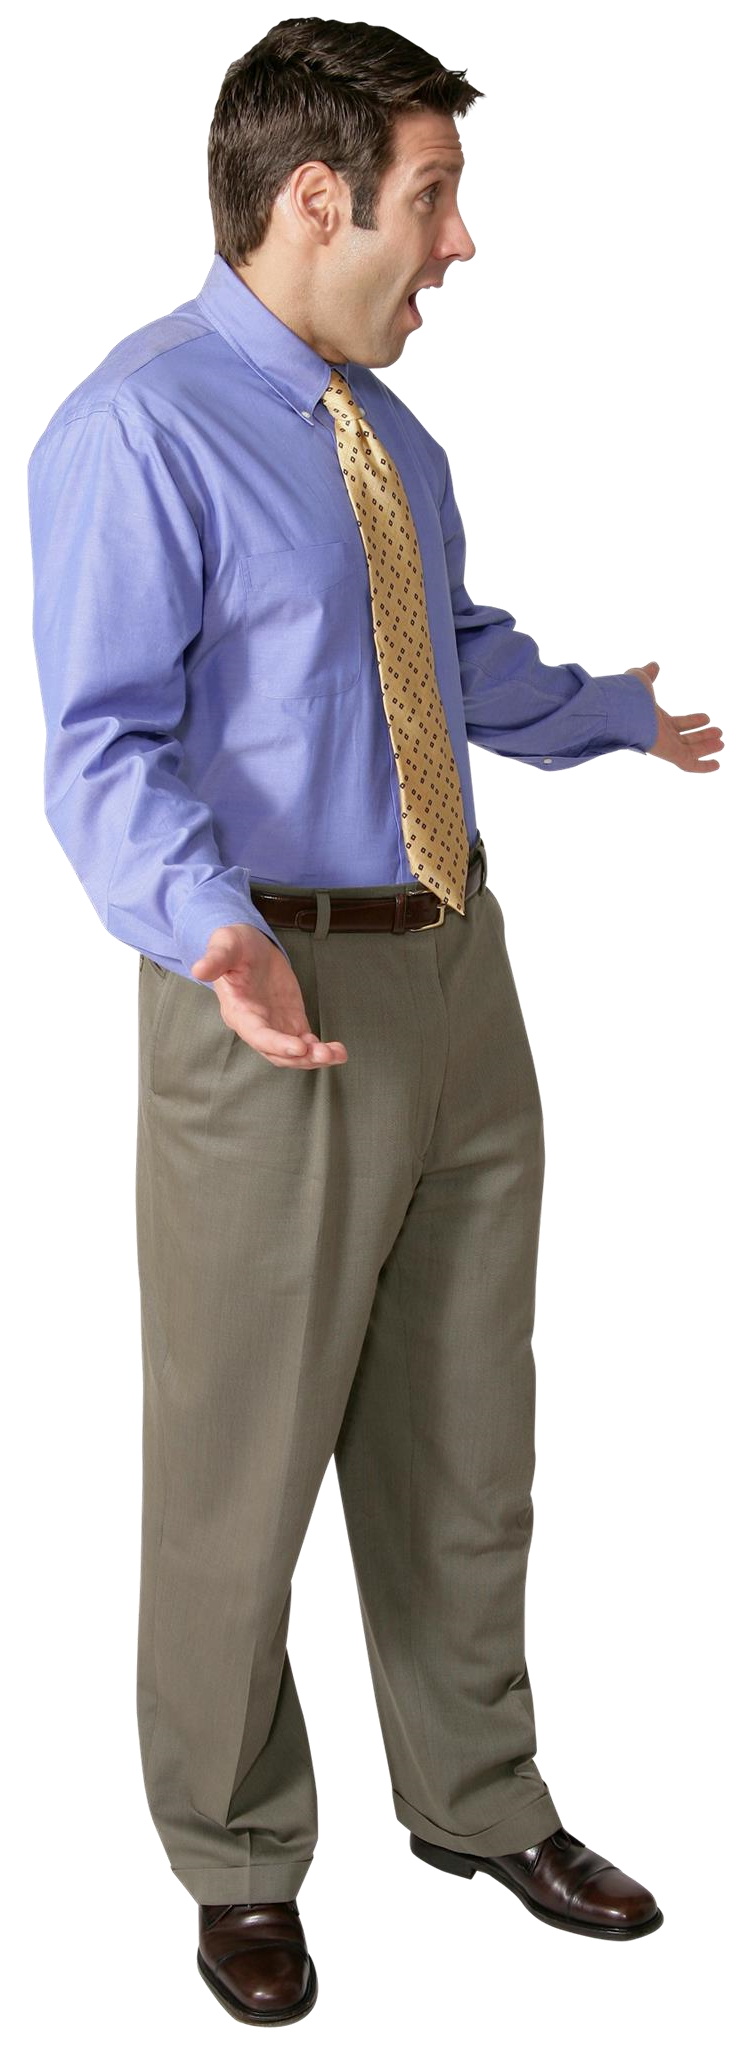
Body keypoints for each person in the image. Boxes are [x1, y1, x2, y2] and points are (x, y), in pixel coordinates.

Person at [32, 17, 725, 2024]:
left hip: (454, 968)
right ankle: (236, 1852)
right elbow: (100, 747)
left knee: (466, 1431)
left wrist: (607, 717)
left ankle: (479, 1798)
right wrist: (209, 930)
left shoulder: (386, 435)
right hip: (269, 993)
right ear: (316, 195)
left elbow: (445, 656)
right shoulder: (136, 428)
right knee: (244, 1462)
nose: (461, 243)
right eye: (435, 197)